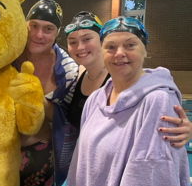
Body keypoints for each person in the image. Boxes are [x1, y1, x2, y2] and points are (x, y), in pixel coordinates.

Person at [66, 16, 190, 186]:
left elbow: (148, 185)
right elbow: (84, 166)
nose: (120, 53)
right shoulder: (95, 99)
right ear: (102, 52)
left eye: (130, 45)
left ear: (145, 50)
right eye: (111, 47)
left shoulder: (156, 101)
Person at [65, 11, 192, 143]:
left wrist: (189, 129)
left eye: (87, 39)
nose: (80, 47)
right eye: (72, 42)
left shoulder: (122, 73)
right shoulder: (76, 75)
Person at [14, 0, 78, 186]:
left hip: (39, 150)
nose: (39, 35)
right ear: (25, 25)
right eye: (34, 26)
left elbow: (69, 119)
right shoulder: (7, 55)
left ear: (56, 33)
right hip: (1, 148)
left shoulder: (68, 71)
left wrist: (38, 100)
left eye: (48, 29)